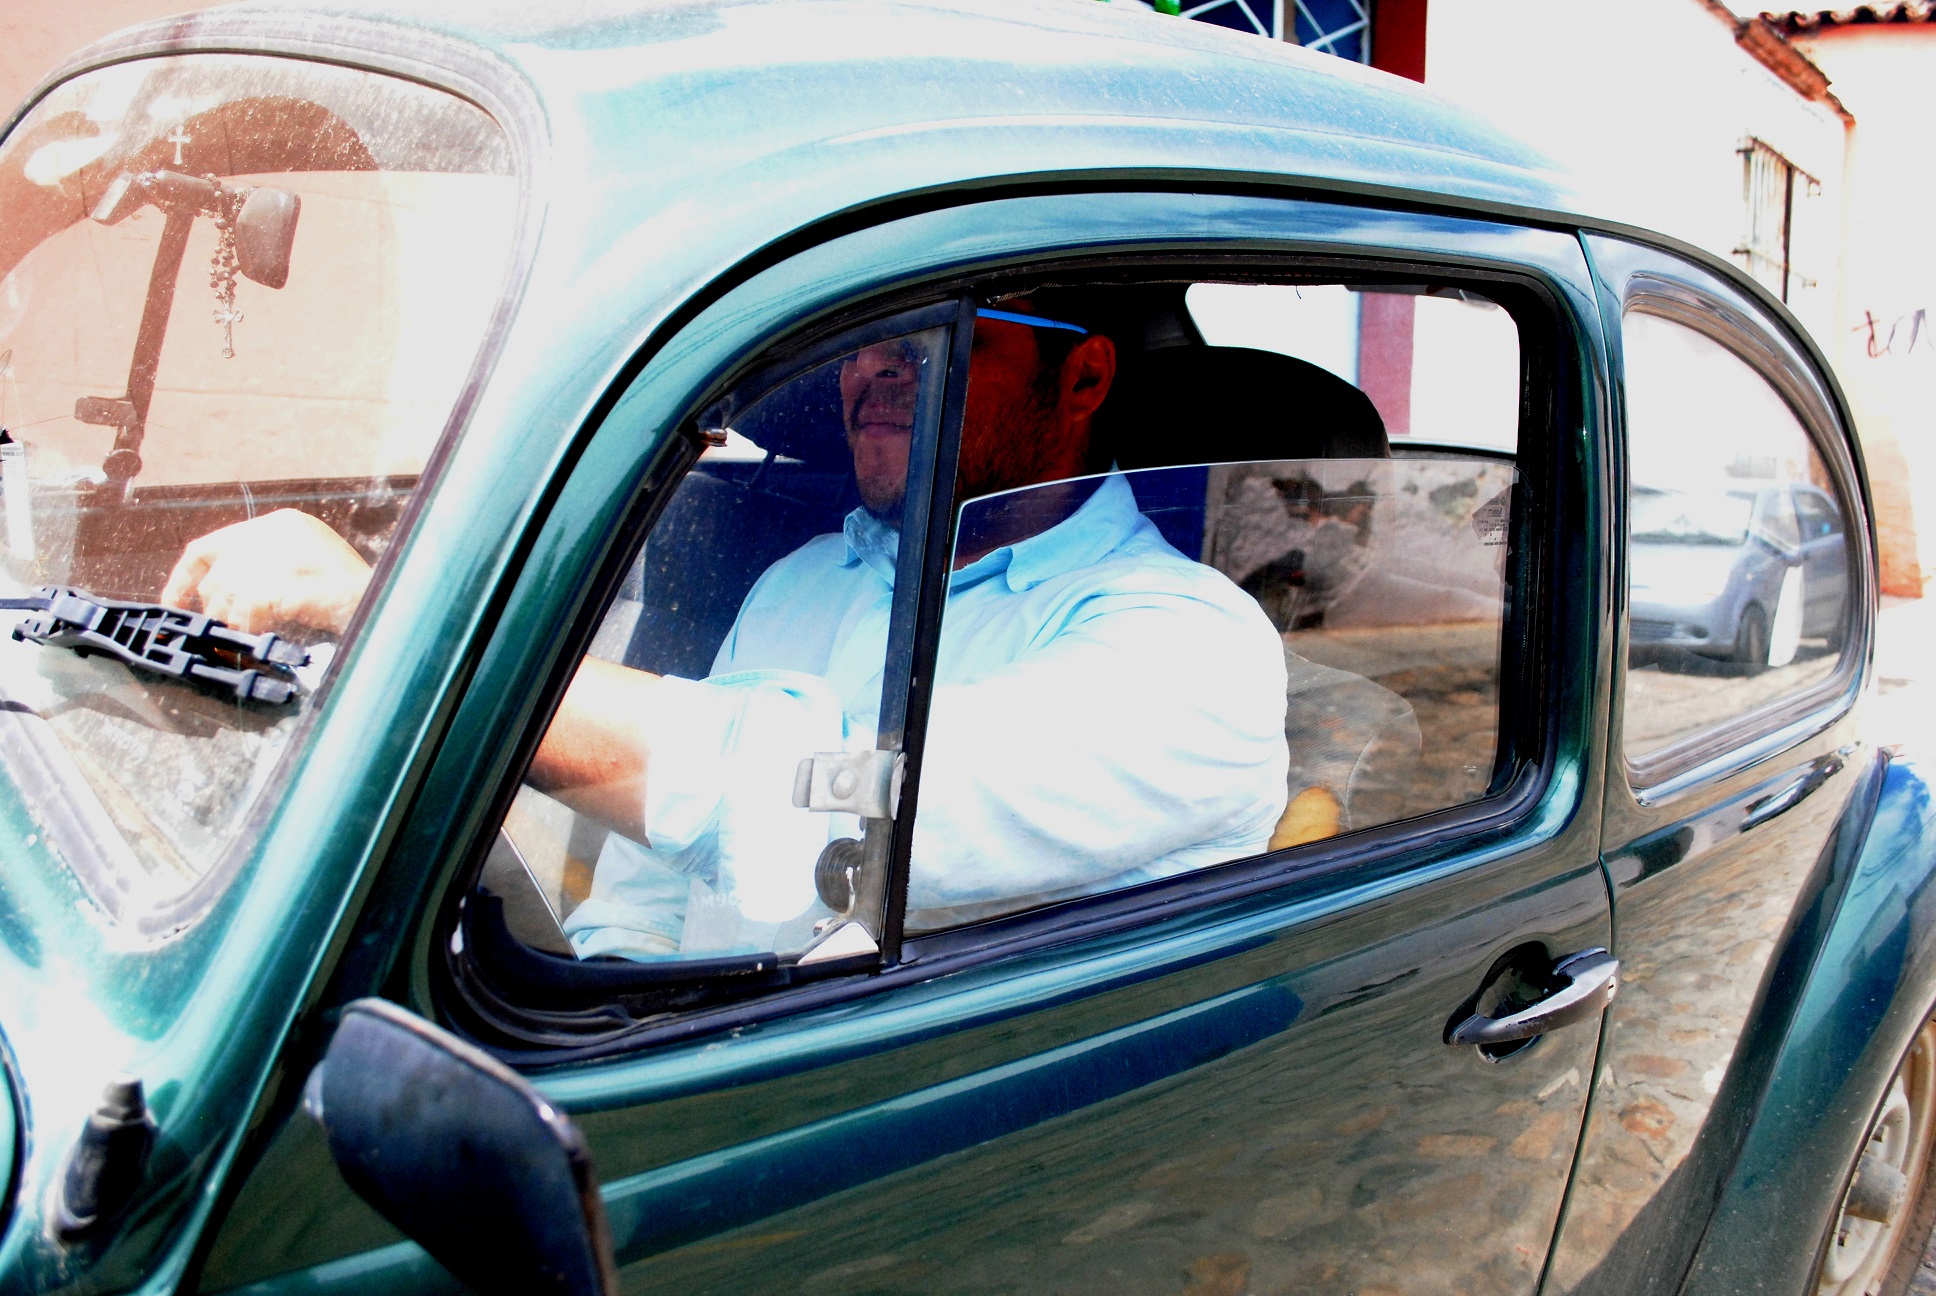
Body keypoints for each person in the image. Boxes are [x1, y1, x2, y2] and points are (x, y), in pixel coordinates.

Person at [162, 300, 1292, 957]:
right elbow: (653, 881)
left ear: (1083, 374)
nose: (877, 370)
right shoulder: (803, 579)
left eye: (938, 337)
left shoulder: (1189, 654)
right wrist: (609, 1011)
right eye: (864, 333)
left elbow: (847, 795)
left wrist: (396, 621)